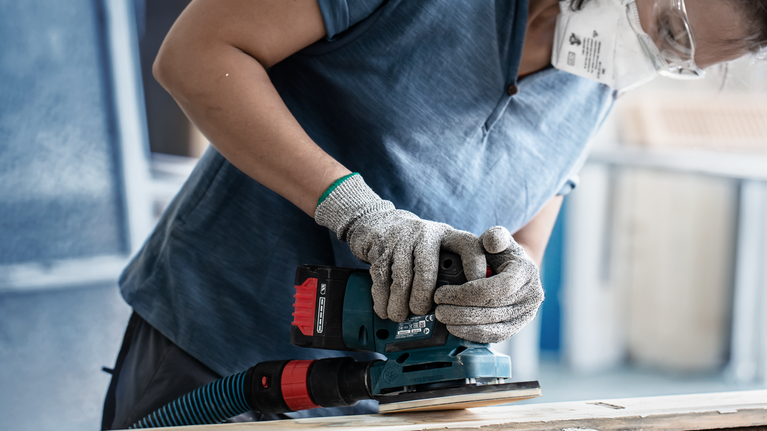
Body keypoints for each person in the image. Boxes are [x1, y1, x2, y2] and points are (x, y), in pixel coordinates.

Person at [101, 0, 766, 428]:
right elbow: (195, 55)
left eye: (677, 63)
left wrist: (509, 286)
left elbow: (524, 225)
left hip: (379, 392)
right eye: (667, 31)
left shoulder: (596, 78)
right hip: (214, 343)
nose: (647, 62)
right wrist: (359, 212)